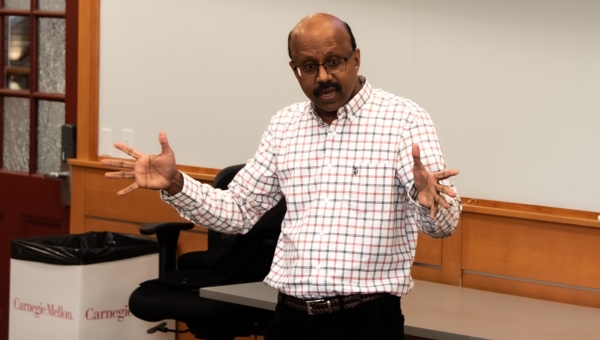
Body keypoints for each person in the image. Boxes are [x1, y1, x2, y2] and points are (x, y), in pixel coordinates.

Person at [102, 13, 461, 340]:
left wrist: (424, 197)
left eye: (334, 62)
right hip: (289, 319)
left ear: (356, 58)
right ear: (295, 70)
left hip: (364, 322)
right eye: (309, 66)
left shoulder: (403, 120)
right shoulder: (285, 125)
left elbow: (443, 225)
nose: (322, 77)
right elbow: (238, 210)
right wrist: (177, 184)